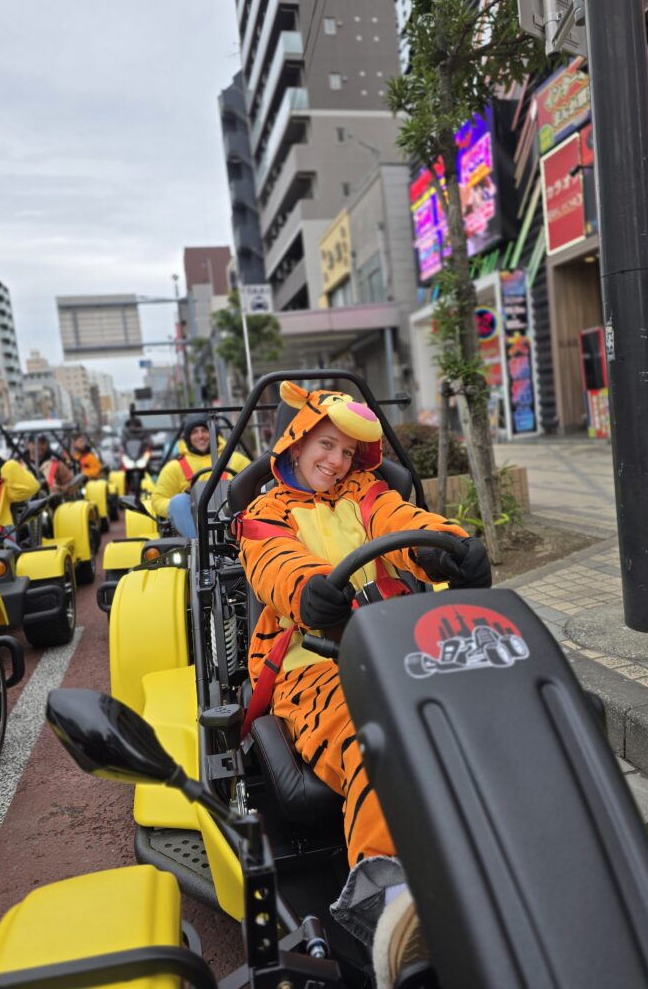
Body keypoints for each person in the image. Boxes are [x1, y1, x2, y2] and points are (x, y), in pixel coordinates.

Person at [238, 382, 492, 986]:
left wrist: (448, 550)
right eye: (326, 445)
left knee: (491, 695)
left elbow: (406, 522)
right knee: (381, 734)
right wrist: (309, 592)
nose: (336, 461)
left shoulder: (369, 495)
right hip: (314, 663)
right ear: (296, 444)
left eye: (348, 452)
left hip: (404, 642)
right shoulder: (262, 516)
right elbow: (277, 566)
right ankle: (395, 909)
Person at [150, 414, 250, 538]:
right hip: (193, 526)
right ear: (188, 438)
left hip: (233, 524)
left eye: (204, 430)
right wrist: (181, 506)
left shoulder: (236, 460)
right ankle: (199, 545)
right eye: (195, 432)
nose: (200, 436)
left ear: (214, 434)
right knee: (178, 502)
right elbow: (158, 499)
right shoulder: (175, 467)